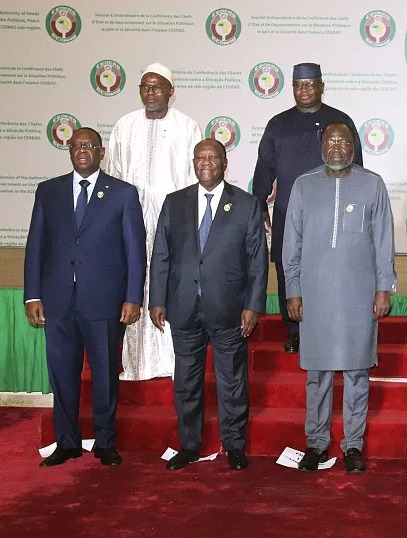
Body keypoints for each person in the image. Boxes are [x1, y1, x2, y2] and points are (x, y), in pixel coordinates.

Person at [24, 127, 147, 467]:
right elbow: (35, 246)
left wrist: (133, 297)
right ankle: (67, 442)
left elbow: (135, 251)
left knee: (105, 375)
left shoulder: (123, 193)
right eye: (76, 145)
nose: (82, 150)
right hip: (58, 301)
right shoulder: (48, 191)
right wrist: (32, 295)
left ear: (101, 152)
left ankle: (105, 442)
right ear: (69, 150)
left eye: (89, 145)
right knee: (62, 375)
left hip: (104, 302)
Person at [148, 139, 268, 471]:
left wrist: (253, 306)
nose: (206, 162)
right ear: (193, 163)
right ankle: (189, 446)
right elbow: (161, 255)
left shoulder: (245, 204)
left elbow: (257, 260)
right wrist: (157, 299)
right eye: (200, 157)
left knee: (232, 381)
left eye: (213, 157)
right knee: (186, 382)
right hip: (183, 306)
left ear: (224, 163)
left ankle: (235, 445)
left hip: (229, 309)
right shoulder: (175, 202)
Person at [282, 123, 394, 473]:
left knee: (357, 372)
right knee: (317, 374)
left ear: (353, 147)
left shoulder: (372, 184)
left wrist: (383, 288)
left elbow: (383, 241)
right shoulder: (304, 185)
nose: (336, 148)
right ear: (321, 145)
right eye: (330, 141)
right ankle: (316, 444)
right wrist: (293, 290)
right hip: (314, 295)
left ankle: (353, 445)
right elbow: (291, 243)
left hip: (358, 296)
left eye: (343, 142)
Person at [253, 62, 364, 354]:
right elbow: (264, 166)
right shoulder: (278, 124)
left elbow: (357, 166)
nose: (304, 90)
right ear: (292, 87)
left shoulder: (339, 121)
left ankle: (331, 326)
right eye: (299, 85)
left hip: (333, 212)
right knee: (287, 267)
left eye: (310, 84)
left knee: (330, 268)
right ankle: (294, 331)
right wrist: (259, 202)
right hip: (288, 211)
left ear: (321, 86)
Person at [106, 62, 203, 381]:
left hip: (173, 222)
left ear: (170, 91)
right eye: (145, 87)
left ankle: (172, 362)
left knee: (170, 284)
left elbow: (195, 180)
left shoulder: (186, 126)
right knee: (135, 284)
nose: (150, 93)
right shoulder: (125, 126)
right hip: (131, 221)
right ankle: (138, 364)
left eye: (157, 87)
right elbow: (114, 175)